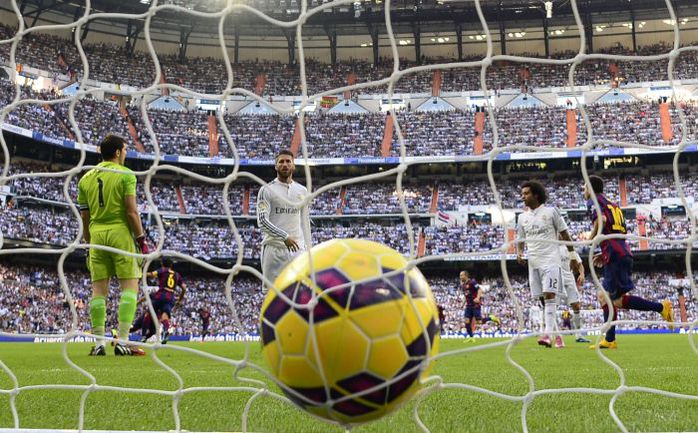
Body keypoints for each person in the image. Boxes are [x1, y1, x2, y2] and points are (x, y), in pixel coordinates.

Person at [78, 135, 148, 356]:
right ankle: (123, 341)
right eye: (125, 149)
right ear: (118, 152)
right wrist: (141, 240)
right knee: (130, 287)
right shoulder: (125, 174)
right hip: (120, 234)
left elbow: (85, 216)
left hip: (96, 236)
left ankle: (99, 343)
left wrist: (89, 242)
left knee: (98, 291)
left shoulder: (85, 178)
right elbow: (131, 211)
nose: (126, 153)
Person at [584, 175, 674, 349]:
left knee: (607, 297)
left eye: (584, 188)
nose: (583, 191)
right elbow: (617, 232)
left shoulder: (593, 201)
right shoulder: (612, 205)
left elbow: (601, 221)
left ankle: (660, 308)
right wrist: (604, 252)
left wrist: (590, 240)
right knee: (611, 299)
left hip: (615, 254)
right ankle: (611, 339)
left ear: (590, 188)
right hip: (620, 251)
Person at [516, 180, 582, 348]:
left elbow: (565, 235)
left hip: (551, 261)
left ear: (536, 195)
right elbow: (521, 239)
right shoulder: (522, 218)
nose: (523, 197)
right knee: (543, 301)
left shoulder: (551, 212)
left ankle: (547, 335)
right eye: (522, 194)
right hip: (534, 263)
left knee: (549, 296)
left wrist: (573, 257)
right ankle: (557, 336)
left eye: (526, 193)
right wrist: (519, 252)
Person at [256, 149, 309, 286]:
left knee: (298, 292)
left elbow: (305, 222)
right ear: (276, 166)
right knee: (272, 294)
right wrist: (284, 237)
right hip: (274, 250)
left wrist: (309, 248)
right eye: (281, 162)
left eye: (288, 161)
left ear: (293, 165)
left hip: (298, 250)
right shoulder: (266, 190)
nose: (285, 164)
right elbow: (262, 221)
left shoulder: (302, 191)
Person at [142, 258, 187, 343]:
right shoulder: (177, 274)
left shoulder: (163, 270)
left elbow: (152, 274)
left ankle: (143, 336)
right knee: (164, 317)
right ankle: (166, 330)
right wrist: (180, 300)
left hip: (161, 295)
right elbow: (184, 288)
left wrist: (141, 274)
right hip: (170, 297)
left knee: (148, 314)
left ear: (162, 264)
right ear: (171, 265)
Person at [558, 236, 591, 344]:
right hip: (556, 278)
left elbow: (580, 264)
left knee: (576, 306)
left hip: (569, 278)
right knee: (552, 305)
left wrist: (582, 274)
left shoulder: (570, 248)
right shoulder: (551, 247)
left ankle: (579, 335)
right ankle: (552, 335)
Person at [460, 270, 500, 342]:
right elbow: (466, 296)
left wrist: (478, 298)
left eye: (461, 275)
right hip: (468, 306)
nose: (460, 277)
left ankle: (491, 318)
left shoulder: (472, 282)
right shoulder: (463, 286)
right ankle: (471, 337)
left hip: (475, 305)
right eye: (460, 275)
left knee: (479, 322)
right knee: (466, 322)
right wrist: (462, 304)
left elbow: (479, 290)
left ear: (466, 275)